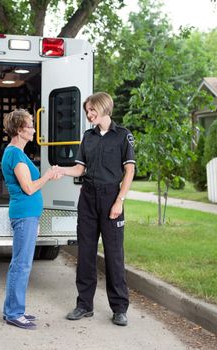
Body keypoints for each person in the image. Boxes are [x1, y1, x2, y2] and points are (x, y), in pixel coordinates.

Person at [56, 92, 135, 326]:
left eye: (92, 110)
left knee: (114, 255)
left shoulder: (123, 136)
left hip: (111, 196)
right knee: (86, 253)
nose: (89, 114)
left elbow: (129, 171)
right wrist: (60, 170)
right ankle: (84, 305)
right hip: (88, 197)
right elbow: (79, 170)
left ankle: (119, 308)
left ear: (104, 108)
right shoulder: (88, 137)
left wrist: (119, 201)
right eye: (87, 111)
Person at [1, 109, 59, 330]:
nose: (34, 129)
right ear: (19, 129)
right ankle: (14, 313)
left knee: (21, 263)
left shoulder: (18, 153)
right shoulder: (15, 154)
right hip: (24, 214)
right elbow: (28, 187)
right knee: (21, 265)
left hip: (28, 215)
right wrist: (47, 175)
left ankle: (15, 310)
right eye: (30, 125)